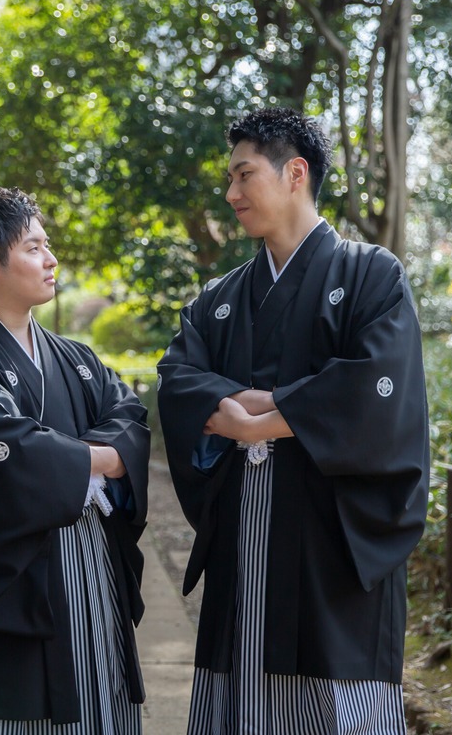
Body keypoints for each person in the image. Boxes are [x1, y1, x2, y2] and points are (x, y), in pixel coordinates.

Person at [156, 108, 429, 734]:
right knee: (240, 698)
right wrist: (247, 406)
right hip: (243, 545)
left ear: (295, 173)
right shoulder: (219, 299)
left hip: (330, 548)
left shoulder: (371, 275)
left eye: (243, 175)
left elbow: (376, 387)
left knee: (335, 708)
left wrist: (264, 420)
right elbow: (178, 379)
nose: (230, 195)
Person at [0, 186, 149, 734]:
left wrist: (97, 457)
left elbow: (131, 419)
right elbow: (12, 455)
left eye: (47, 245)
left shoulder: (77, 359)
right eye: (34, 247)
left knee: (102, 710)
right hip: (18, 588)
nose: (51, 258)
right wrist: (102, 459)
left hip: (91, 574)